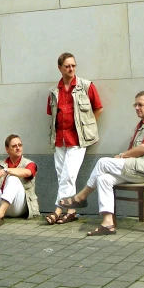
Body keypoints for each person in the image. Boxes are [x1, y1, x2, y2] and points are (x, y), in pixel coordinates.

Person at [59, 91, 144, 236]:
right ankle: (108, 223)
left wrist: (122, 156)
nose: (136, 107)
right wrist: (123, 158)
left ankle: (81, 197)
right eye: (135, 105)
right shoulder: (142, 125)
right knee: (103, 179)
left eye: (140, 105)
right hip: (138, 170)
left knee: (103, 162)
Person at [46, 52, 103, 225]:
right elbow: (52, 114)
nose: (71, 69)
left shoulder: (85, 86)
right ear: (59, 68)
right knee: (62, 176)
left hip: (78, 139)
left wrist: (88, 126)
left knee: (69, 175)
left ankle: (57, 209)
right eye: (67, 66)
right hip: (59, 139)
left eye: (73, 65)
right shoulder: (54, 91)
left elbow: (98, 108)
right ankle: (71, 211)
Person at [0, 134, 40, 228]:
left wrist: (6, 171)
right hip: (1, 204)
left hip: (19, 208)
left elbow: (27, 173)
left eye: (20, 145)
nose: (18, 148)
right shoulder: (1, 164)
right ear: (7, 149)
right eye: (14, 146)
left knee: (13, 178)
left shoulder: (29, 163)